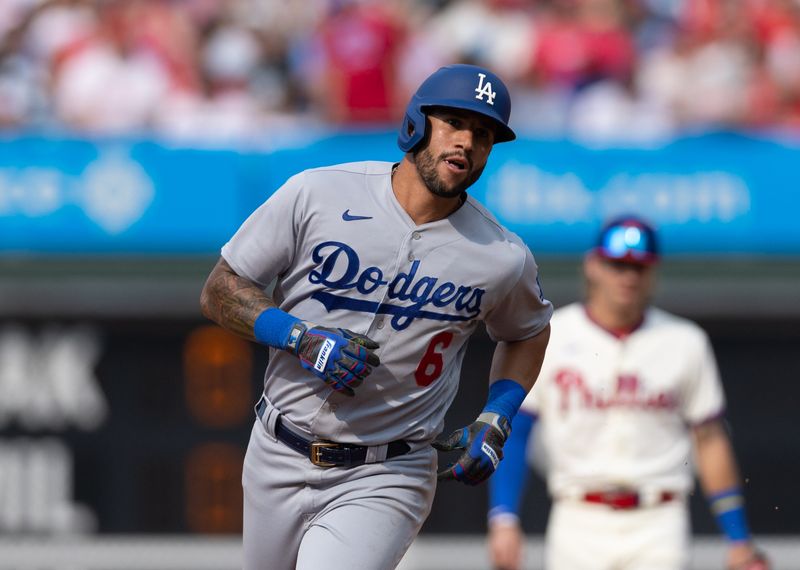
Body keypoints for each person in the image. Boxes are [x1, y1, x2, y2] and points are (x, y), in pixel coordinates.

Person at [199, 63, 552, 570]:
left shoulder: (501, 255)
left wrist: (497, 417)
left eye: (483, 133)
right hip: (276, 448)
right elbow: (220, 289)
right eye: (453, 121)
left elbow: (530, 332)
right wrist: (298, 336)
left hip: (390, 469)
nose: (467, 142)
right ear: (416, 122)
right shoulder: (318, 193)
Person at [487, 216, 769, 570]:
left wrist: (739, 539)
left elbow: (710, 439)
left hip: (659, 520)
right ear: (593, 265)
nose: (628, 276)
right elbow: (516, 433)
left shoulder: (684, 341)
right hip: (578, 519)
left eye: (639, 267)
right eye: (617, 264)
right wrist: (504, 518)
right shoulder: (553, 335)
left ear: (653, 272)